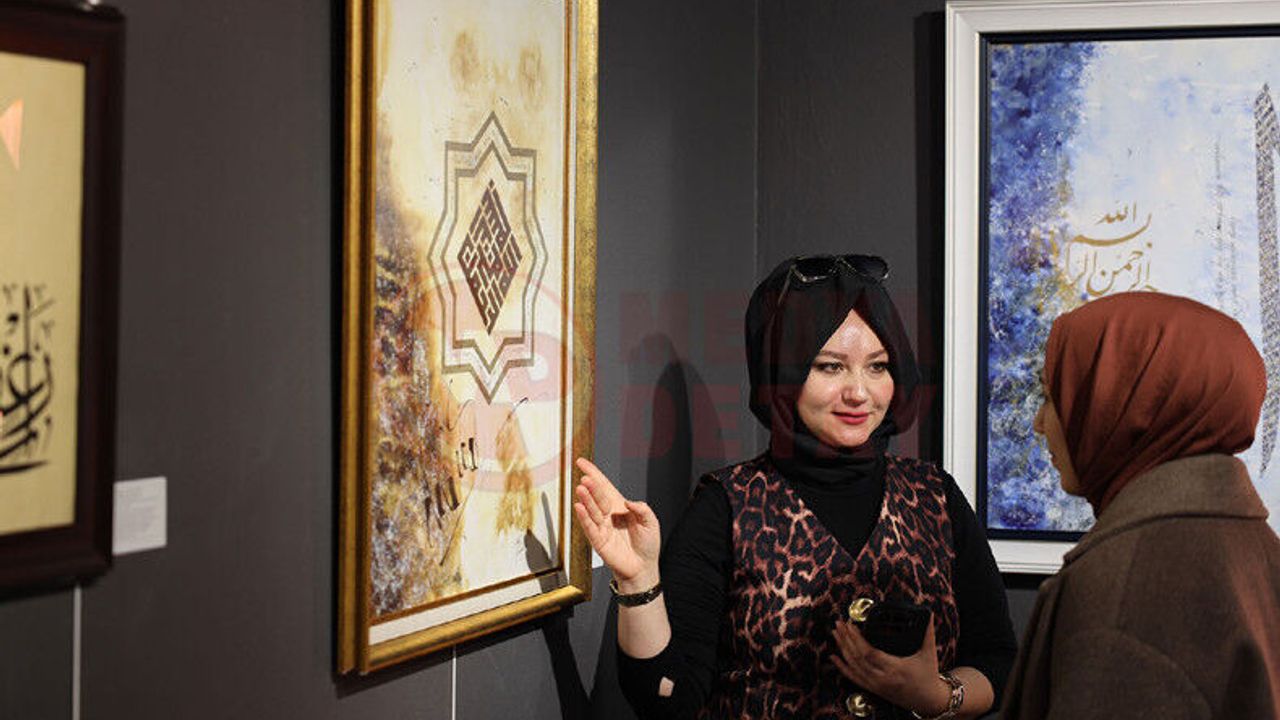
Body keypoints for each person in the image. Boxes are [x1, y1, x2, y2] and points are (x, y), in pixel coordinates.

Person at [574, 255, 1017, 719]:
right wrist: (639, 581)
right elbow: (668, 699)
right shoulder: (726, 506)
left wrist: (936, 696)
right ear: (781, 374)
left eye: (878, 366)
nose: (859, 393)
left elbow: (997, 663)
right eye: (830, 367)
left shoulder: (935, 496)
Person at [1002, 291, 1280, 719]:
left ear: (1122, 406)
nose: (1040, 424)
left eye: (1053, 398)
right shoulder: (1255, 548)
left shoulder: (1126, 589)